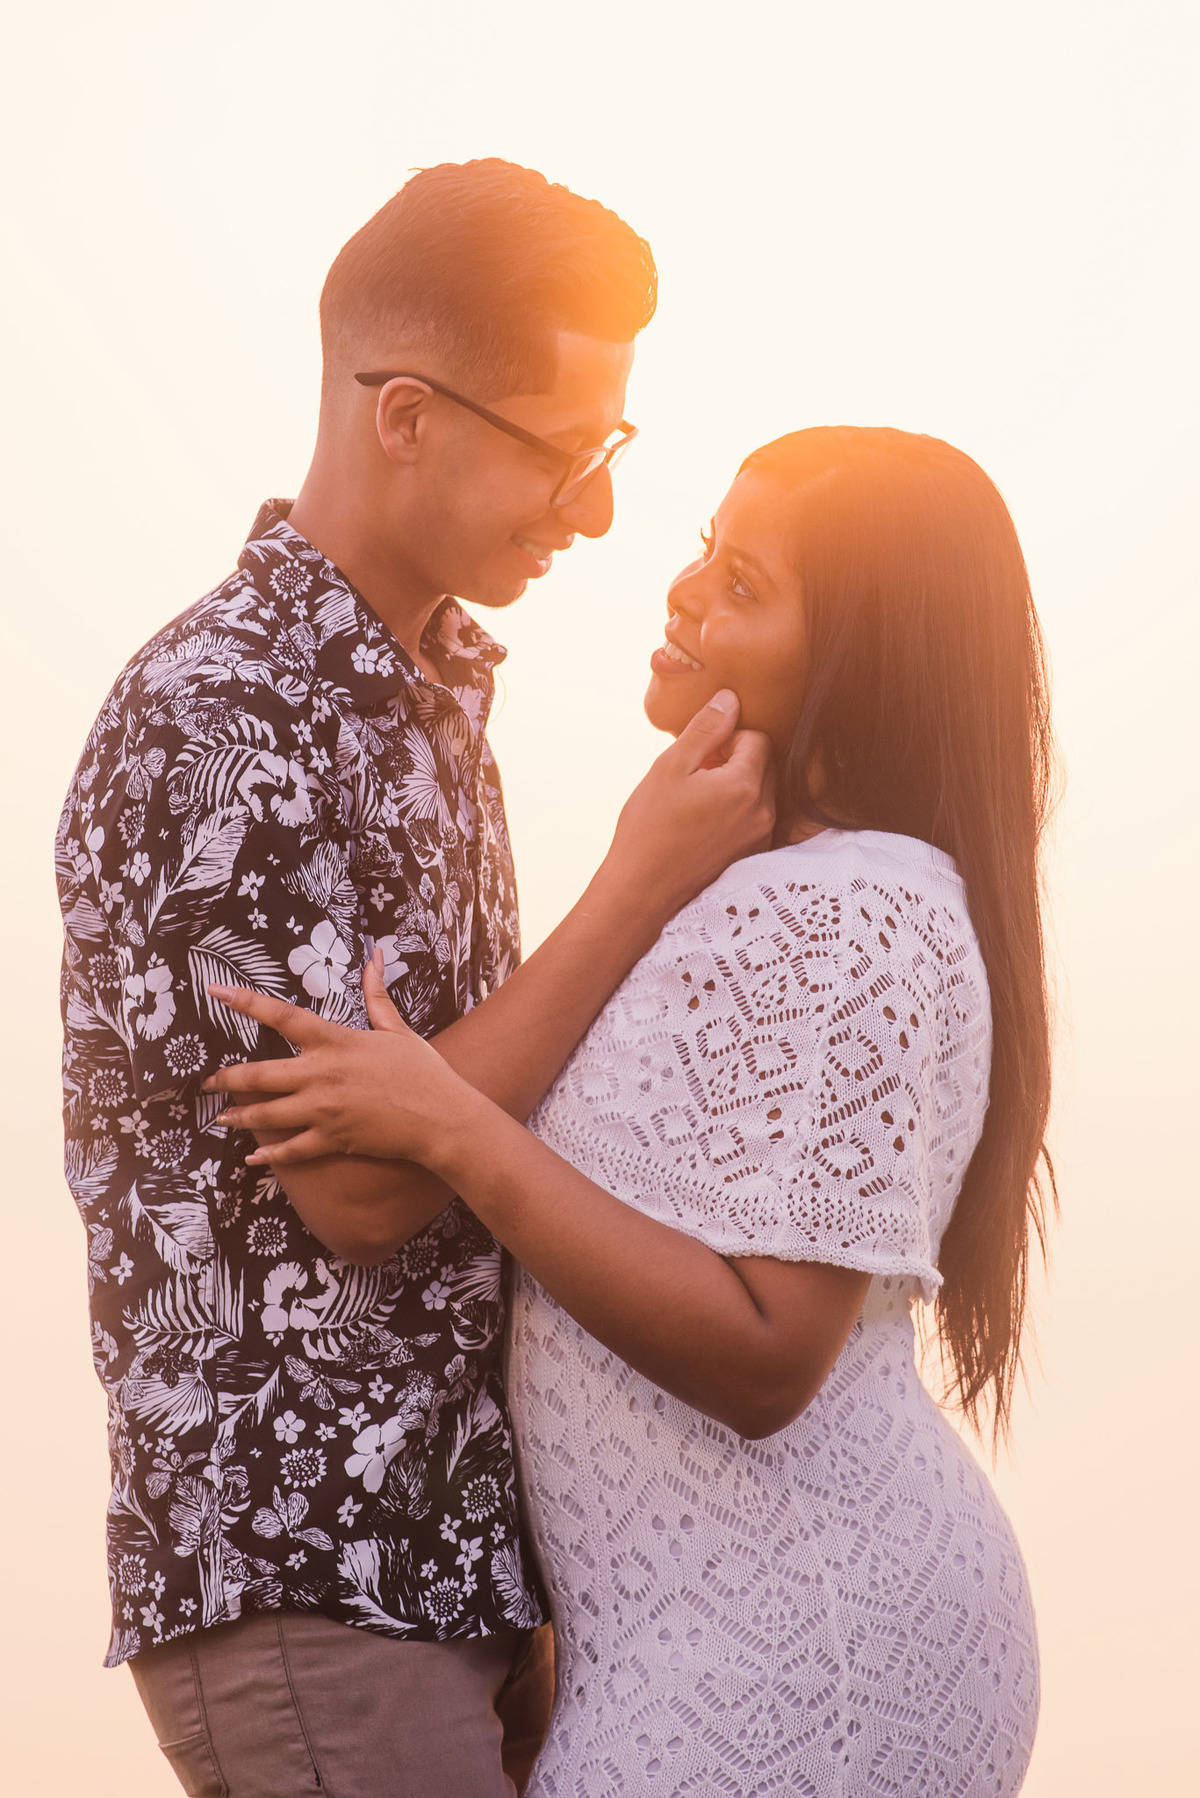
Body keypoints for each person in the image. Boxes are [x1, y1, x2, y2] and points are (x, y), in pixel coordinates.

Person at [55, 159, 775, 1798]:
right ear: (403, 417)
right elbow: (368, 1188)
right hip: (314, 1580)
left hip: (452, 1572)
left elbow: (453, 1105)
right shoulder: (217, 719)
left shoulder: (428, 686)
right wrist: (641, 877)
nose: (595, 509)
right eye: (567, 451)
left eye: (615, 452)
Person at [205, 425, 1056, 1797]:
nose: (682, 594)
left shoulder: (859, 910)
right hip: (691, 1637)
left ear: (859, 660)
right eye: (705, 555)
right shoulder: (760, 880)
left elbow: (771, 1351)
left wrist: (449, 1126)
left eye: (742, 584)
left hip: (803, 1643)